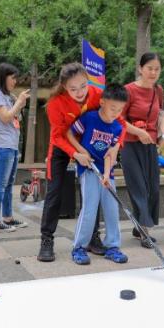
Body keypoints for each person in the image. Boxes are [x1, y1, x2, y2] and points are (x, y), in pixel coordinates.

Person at [37, 63, 120, 262]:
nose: (80, 92)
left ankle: (92, 238)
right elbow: (57, 136)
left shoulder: (98, 94)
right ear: (64, 86)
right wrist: (75, 153)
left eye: (83, 86)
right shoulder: (56, 103)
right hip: (62, 147)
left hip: (89, 146)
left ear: (88, 81)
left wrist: (115, 147)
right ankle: (46, 240)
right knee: (54, 192)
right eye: (73, 89)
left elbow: (117, 120)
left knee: (93, 190)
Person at [67, 85, 128, 265]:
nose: (115, 113)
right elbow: (70, 134)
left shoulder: (117, 127)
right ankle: (79, 247)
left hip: (106, 172)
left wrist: (108, 175)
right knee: (90, 208)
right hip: (88, 169)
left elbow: (110, 154)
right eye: (112, 108)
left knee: (111, 208)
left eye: (119, 110)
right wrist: (81, 152)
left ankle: (112, 247)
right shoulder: (90, 118)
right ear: (102, 102)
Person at [122, 52, 164, 248]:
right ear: (140, 68)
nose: (153, 72)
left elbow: (160, 115)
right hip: (130, 144)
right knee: (138, 187)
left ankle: (139, 224)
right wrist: (137, 132)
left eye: (157, 69)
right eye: (149, 68)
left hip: (150, 145)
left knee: (152, 188)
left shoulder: (158, 90)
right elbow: (118, 119)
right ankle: (144, 231)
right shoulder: (128, 90)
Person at [0, 63, 30, 232]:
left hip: (11, 145)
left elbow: (15, 118)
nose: (15, 81)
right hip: (4, 145)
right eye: (13, 78)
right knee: (0, 184)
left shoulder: (6, 96)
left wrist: (19, 104)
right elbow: (5, 118)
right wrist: (18, 102)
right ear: (3, 77)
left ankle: (8, 218)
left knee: (9, 184)